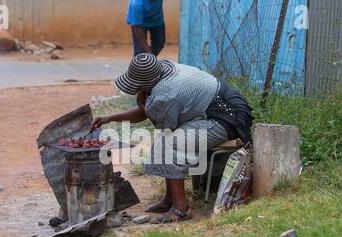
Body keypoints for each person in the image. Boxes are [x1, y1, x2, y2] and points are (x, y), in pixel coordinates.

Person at [91, 54, 253, 223]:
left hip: (228, 118)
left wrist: (143, 107)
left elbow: (163, 126)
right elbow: (146, 112)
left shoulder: (165, 92)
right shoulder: (164, 70)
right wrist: (109, 118)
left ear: (146, 83)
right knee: (165, 140)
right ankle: (169, 198)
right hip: (216, 108)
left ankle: (181, 209)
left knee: (172, 144)